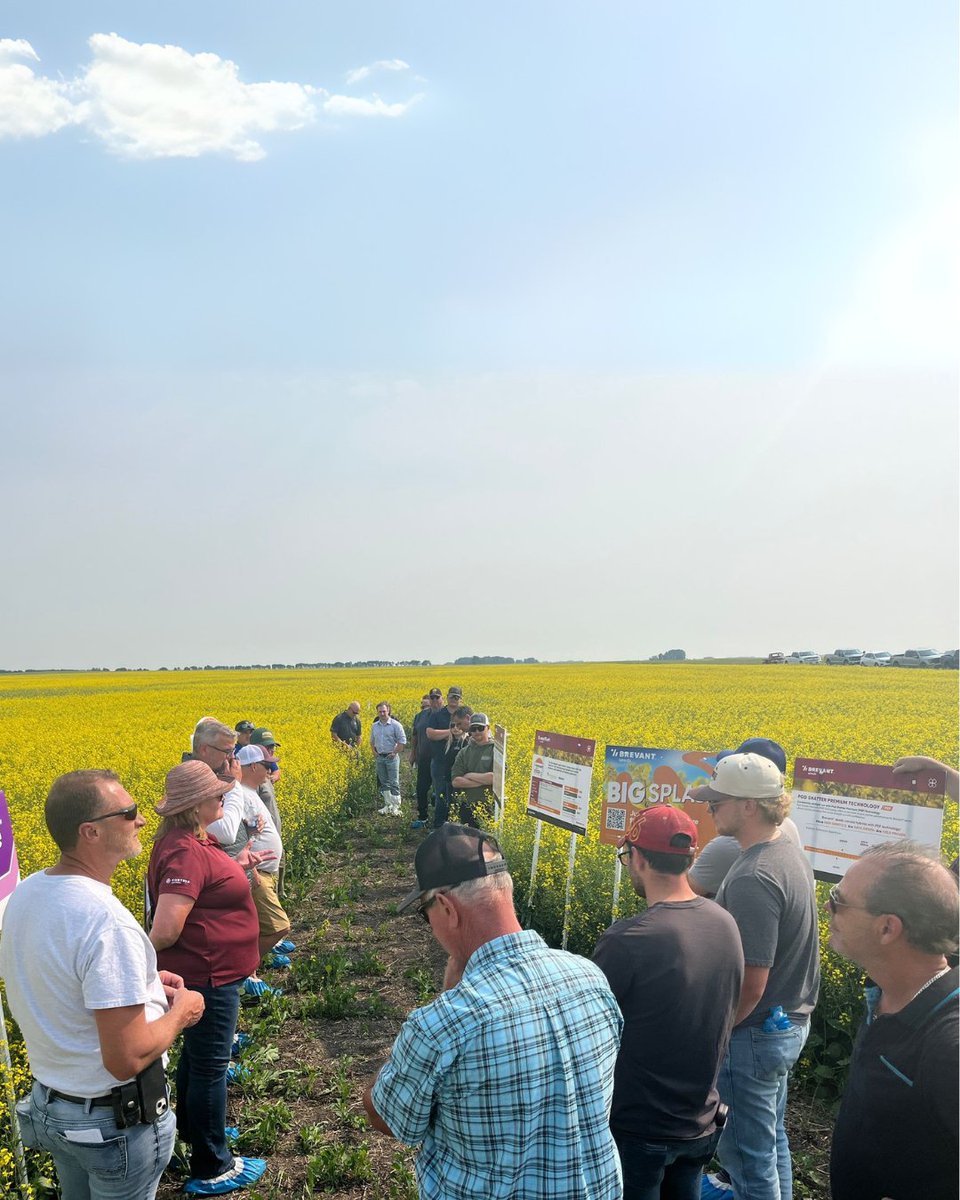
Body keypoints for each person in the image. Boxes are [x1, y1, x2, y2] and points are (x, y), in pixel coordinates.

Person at [362, 824, 624, 1200]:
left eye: (425, 913)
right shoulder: (590, 978)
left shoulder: (443, 1025)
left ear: (447, 908)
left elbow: (387, 1115)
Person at [0, 769, 205, 1200]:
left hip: (53, 1107)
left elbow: (59, 981)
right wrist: (180, 1013)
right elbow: (125, 1058)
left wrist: (144, 984)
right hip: (112, 1124)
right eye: (129, 813)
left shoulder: (28, 894)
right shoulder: (106, 922)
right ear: (90, 832)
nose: (143, 821)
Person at [592, 805, 744, 1200]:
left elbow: (588, 1028)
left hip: (640, 1127)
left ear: (638, 858)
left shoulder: (629, 940)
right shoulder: (724, 923)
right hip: (701, 1121)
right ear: (690, 858)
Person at [147, 760, 272, 1195]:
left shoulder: (190, 842)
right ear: (194, 804)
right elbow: (165, 928)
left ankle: (197, 1131)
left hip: (210, 970)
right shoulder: (183, 850)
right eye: (216, 793)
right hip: (209, 975)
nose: (224, 796)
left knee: (199, 1063)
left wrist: (238, 865)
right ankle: (212, 1163)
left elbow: (204, 889)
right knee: (211, 1067)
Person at [699, 752, 820, 1200]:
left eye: (718, 800)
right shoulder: (786, 848)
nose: (709, 808)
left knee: (748, 1162)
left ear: (749, 806)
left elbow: (752, 979)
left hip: (753, 1033)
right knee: (770, 1141)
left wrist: (719, 1032)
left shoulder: (753, 875)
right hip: (786, 1023)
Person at [828, 841, 958, 1200]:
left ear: (887, 929)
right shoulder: (885, 990)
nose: (827, 906)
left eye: (839, 899)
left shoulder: (949, 1044)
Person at [207, 744, 291, 968]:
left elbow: (244, 831)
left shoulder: (248, 793)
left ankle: (252, 972)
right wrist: (252, 872)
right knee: (278, 927)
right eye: (267, 765)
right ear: (253, 766)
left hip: (263, 871)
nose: (271, 770)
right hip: (256, 872)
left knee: (258, 928)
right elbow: (231, 839)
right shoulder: (238, 795)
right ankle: (245, 971)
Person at [689, 738, 802, 898]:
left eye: (715, 803)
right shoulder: (786, 830)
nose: (708, 809)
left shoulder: (749, 874)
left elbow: (684, 891)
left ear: (749, 806)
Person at [425, 686, 463, 826]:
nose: (454, 699)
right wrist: (452, 732)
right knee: (441, 795)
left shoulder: (464, 715)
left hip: (459, 763)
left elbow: (470, 732)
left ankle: (454, 827)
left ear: (460, 699)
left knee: (457, 797)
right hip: (440, 761)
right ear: (447, 697)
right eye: (452, 696)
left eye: (457, 697)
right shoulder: (437, 714)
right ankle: (438, 827)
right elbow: (430, 734)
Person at [451, 712, 496, 827]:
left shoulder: (496, 750)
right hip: (467, 806)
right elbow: (456, 781)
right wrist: (482, 781)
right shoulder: (464, 752)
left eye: (480, 728)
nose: (476, 732)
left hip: (489, 807)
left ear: (488, 728)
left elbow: (494, 778)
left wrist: (469, 775)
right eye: (473, 728)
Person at [370, 702, 407, 815]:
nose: (382, 713)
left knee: (394, 782)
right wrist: (374, 753)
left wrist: (394, 752)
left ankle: (396, 807)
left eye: (384, 711)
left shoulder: (396, 725)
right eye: (380, 711)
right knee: (384, 782)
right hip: (380, 757)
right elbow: (372, 741)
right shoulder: (374, 726)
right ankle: (388, 805)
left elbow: (402, 741)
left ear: (388, 711)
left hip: (391, 757)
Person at [409, 692, 436, 830]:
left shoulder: (440, 715)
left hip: (438, 759)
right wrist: (413, 753)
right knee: (421, 789)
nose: (425, 707)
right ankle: (423, 817)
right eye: (423, 705)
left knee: (439, 791)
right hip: (423, 759)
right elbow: (414, 736)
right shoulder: (418, 717)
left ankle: (440, 820)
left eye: (427, 704)